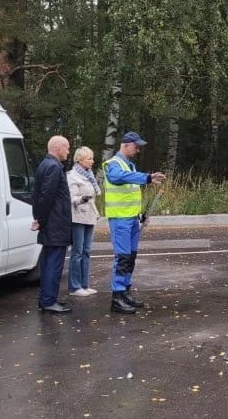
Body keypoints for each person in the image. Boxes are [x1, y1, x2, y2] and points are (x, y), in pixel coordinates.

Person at [104, 131, 165, 314]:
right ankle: (117, 296)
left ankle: (125, 292)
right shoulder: (113, 164)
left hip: (132, 219)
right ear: (126, 145)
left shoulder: (130, 165)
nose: (138, 149)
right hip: (120, 219)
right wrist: (146, 178)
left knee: (130, 257)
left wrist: (142, 215)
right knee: (122, 257)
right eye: (136, 146)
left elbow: (132, 193)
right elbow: (117, 178)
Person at [32, 135, 73, 313]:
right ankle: (49, 301)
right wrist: (39, 219)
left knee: (49, 262)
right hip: (55, 223)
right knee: (53, 263)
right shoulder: (54, 167)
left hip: (51, 222)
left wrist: (39, 218)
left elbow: (40, 195)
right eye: (67, 148)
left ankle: (47, 299)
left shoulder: (45, 165)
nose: (68, 151)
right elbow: (46, 197)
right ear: (58, 148)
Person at [66, 146, 101, 297]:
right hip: (78, 217)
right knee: (77, 252)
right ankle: (75, 287)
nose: (92, 161)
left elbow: (92, 198)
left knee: (87, 251)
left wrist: (96, 211)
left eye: (92, 158)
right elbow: (72, 198)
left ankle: (85, 285)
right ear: (80, 160)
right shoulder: (72, 176)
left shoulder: (89, 175)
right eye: (89, 159)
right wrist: (82, 199)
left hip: (90, 217)